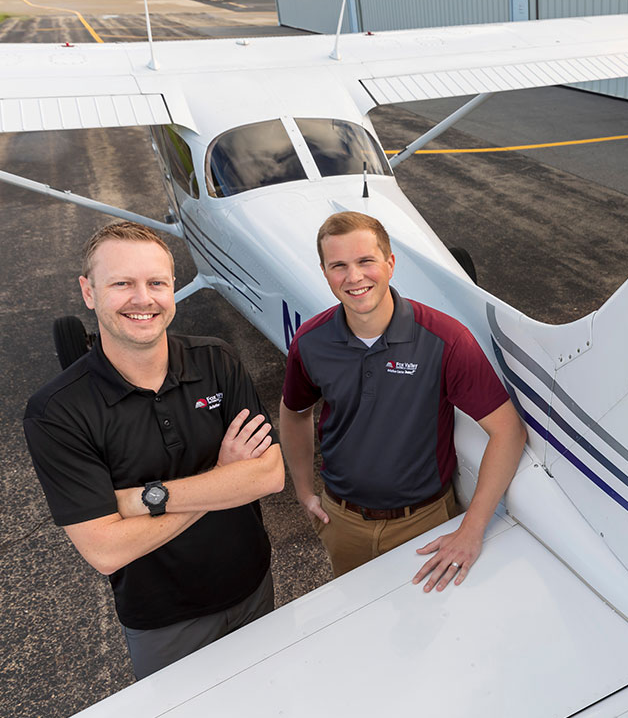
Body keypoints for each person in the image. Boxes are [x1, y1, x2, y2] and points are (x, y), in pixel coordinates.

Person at [23, 221, 284, 679]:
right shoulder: (56, 412)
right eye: (122, 284)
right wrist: (224, 476)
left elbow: (269, 476)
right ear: (88, 292)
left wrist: (142, 500)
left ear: (172, 289)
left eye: (156, 283)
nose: (143, 299)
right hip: (164, 623)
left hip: (255, 590)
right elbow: (106, 550)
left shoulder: (217, 360)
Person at [279, 211, 526, 591]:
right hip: (342, 522)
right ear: (325, 273)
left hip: (423, 523)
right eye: (339, 266)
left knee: (430, 623)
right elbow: (295, 412)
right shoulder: (311, 341)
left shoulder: (446, 340)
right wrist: (303, 491)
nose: (354, 277)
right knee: (356, 614)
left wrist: (471, 528)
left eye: (365, 261)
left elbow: (508, 431)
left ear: (390, 264)